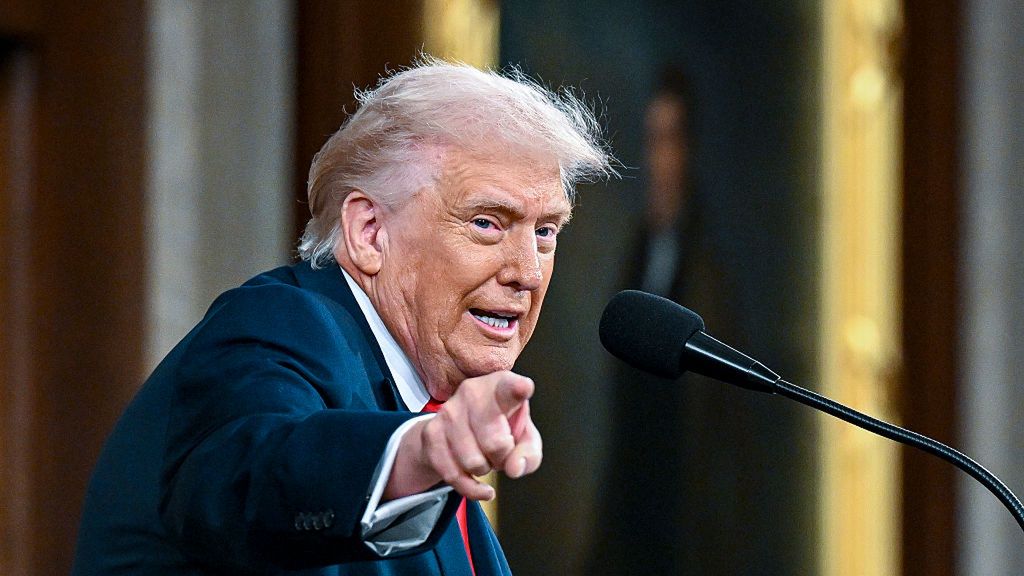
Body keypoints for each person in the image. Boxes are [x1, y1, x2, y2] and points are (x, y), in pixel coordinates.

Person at [71, 58, 613, 575]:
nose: (527, 272)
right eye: (487, 223)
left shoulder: (428, 419)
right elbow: (249, 474)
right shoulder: (283, 322)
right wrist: (418, 450)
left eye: (545, 232)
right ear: (369, 232)